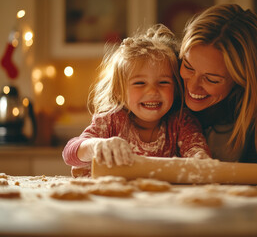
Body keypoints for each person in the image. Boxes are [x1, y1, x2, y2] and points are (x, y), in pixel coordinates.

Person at [62, 24, 210, 177]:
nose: (152, 91)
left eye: (163, 82)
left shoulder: (181, 123)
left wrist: (200, 158)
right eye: (140, 83)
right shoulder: (111, 121)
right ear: (119, 92)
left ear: (176, 87)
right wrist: (97, 146)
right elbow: (70, 153)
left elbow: (197, 153)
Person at [179, 4, 257, 178]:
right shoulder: (164, 88)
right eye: (188, 67)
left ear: (242, 79)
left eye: (212, 79)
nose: (192, 87)